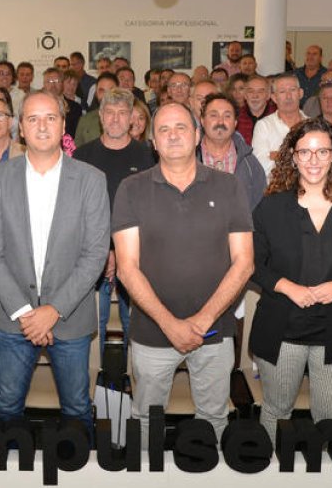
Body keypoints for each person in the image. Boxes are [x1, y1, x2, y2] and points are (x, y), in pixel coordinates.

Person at [112, 103, 254, 446]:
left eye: (180, 127)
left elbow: (244, 263)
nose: (173, 135)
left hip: (214, 332)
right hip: (151, 330)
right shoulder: (130, 189)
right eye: (163, 129)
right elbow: (127, 267)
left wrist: (202, 321)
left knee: (214, 418)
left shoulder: (229, 186)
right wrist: (170, 324)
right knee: (146, 419)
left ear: (196, 136)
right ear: (153, 143)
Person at [0, 91, 110, 428]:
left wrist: (52, 311)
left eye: (50, 118)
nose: (41, 126)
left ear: (63, 125)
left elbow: (95, 253)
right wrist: (26, 313)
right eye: (33, 118)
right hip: (14, 319)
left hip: (70, 315)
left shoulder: (91, 180)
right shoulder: (0, 177)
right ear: (20, 127)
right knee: (6, 407)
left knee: (78, 409)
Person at [250, 117, 332, 440]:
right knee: (276, 411)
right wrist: (287, 286)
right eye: (305, 153)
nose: (313, 161)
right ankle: (270, 475)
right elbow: (253, 262)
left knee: (330, 418)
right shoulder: (271, 205)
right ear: (292, 156)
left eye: (322, 152)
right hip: (282, 328)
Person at [74, 88, 157, 362]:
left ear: (132, 117)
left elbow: (148, 210)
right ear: (101, 116)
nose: (115, 119)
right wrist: (105, 251)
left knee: (134, 324)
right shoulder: (82, 156)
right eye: (110, 112)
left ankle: (131, 385)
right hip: (90, 255)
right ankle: (92, 389)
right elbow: (77, 213)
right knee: (92, 327)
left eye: (122, 113)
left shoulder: (146, 155)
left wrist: (120, 252)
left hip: (137, 256)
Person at [198, 92, 265, 214]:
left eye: (227, 116)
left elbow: (260, 210)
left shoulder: (249, 163)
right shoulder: (188, 159)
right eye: (213, 115)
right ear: (202, 120)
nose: (220, 121)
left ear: (235, 123)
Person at [251, 73, 307, 174]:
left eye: (292, 90)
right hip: (274, 188)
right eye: (282, 92)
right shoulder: (263, 126)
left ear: (301, 93)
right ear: (274, 98)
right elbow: (261, 166)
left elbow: (317, 164)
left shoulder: (313, 126)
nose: (288, 96)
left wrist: (278, 156)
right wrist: (300, 157)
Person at [73, 72, 117, 147]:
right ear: (96, 93)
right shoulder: (85, 120)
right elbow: (77, 150)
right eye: (101, 90)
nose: (106, 95)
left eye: (111, 90)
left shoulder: (128, 118)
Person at [235, 74, 275, 145]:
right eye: (251, 91)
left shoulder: (277, 117)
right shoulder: (235, 117)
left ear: (268, 95)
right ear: (245, 95)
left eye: (260, 91)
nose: (255, 96)